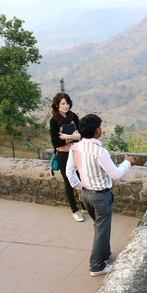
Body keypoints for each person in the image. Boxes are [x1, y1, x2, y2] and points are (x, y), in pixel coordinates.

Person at [66, 114, 137, 276]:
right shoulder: (100, 151)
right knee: (101, 229)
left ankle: (104, 256)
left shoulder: (75, 148)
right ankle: (96, 266)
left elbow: (69, 172)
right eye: (100, 126)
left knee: (100, 226)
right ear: (96, 130)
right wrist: (128, 162)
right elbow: (115, 174)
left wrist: (80, 187)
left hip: (86, 195)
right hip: (101, 197)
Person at [49, 92, 84, 222]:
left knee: (82, 178)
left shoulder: (73, 116)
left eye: (67, 103)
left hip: (76, 152)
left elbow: (82, 134)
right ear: (57, 105)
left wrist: (67, 137)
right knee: (69, 182)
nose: (66, 106)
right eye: (63, 103)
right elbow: (56, 142)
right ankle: (75, 210)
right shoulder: (54, 120)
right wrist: (72, 139)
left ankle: (84, 205)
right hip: (63, 154)